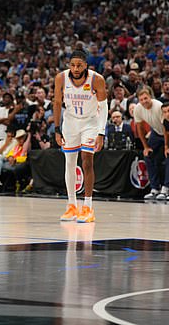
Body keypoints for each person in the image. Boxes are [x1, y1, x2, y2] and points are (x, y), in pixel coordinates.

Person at [53, 49, 108, 223]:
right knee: (69, 162)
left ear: (86, 65)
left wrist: (101, 132)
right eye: (73, 65)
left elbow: (104, 107)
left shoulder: (96, 79)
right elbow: (56, 102)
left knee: (87, 159)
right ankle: (71, 206)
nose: (76, 68)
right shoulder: (61, 78)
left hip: (90, 123)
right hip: (70, 123)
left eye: (79, 65)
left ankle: (88, 207)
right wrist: (56, 128)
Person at [134, 87, 169, 200]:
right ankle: (155, 188)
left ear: (150, 97)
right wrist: (145, 147)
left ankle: (166, 188)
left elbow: (166, 127)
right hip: (156, 132)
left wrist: (166, 146)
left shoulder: (158, 106)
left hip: (168, 132)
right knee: (147, 155)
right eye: (141, 99)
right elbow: (139, 128)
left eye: (146, 98)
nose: (144, 101)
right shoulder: (138, 109)